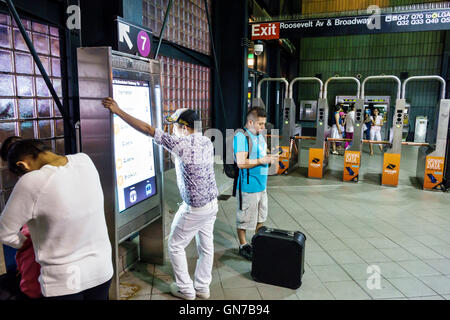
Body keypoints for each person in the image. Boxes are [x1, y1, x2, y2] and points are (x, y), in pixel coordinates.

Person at [102, 97, 218, 301]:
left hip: (195, 208)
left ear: (185, 127)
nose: (172, 129)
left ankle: (186, 290)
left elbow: (148, 129)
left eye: (174, 126)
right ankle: (202, 288)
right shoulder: (206, 140)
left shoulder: (181, 144)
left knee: (175, 245)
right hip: (212, 204)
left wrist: (118, 111)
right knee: (206, 246)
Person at [0, 137, 113, 300]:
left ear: (22, 165)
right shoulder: (84, 160)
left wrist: (25, 243)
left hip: (64, 282)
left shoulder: (31, 181)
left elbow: (5, 233)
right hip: (101, 271)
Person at [233, 107, 276, 261]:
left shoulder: (259, 136)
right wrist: (261, 160)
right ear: (250, 122)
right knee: (244, 218)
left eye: (264, 124)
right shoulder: (241, 137)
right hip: (248, 186)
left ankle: (257, 242)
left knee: (261, 216)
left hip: (261, 185)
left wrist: (269, 155)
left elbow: (261, 152)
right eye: (260, 124)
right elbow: (241, 163)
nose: (263, 128)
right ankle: (243, 245)